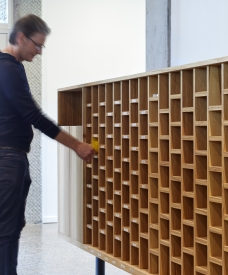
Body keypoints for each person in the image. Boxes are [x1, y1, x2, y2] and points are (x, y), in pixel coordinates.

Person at [0, 14, 95, 274]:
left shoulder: (10, 67)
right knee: (6, 232)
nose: (40, 51)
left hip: (12, 157)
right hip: (7, 160)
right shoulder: (7, 68)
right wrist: (76, 145)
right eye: (37, 45)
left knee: (10, 228)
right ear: (21, 37)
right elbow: (33, 116)